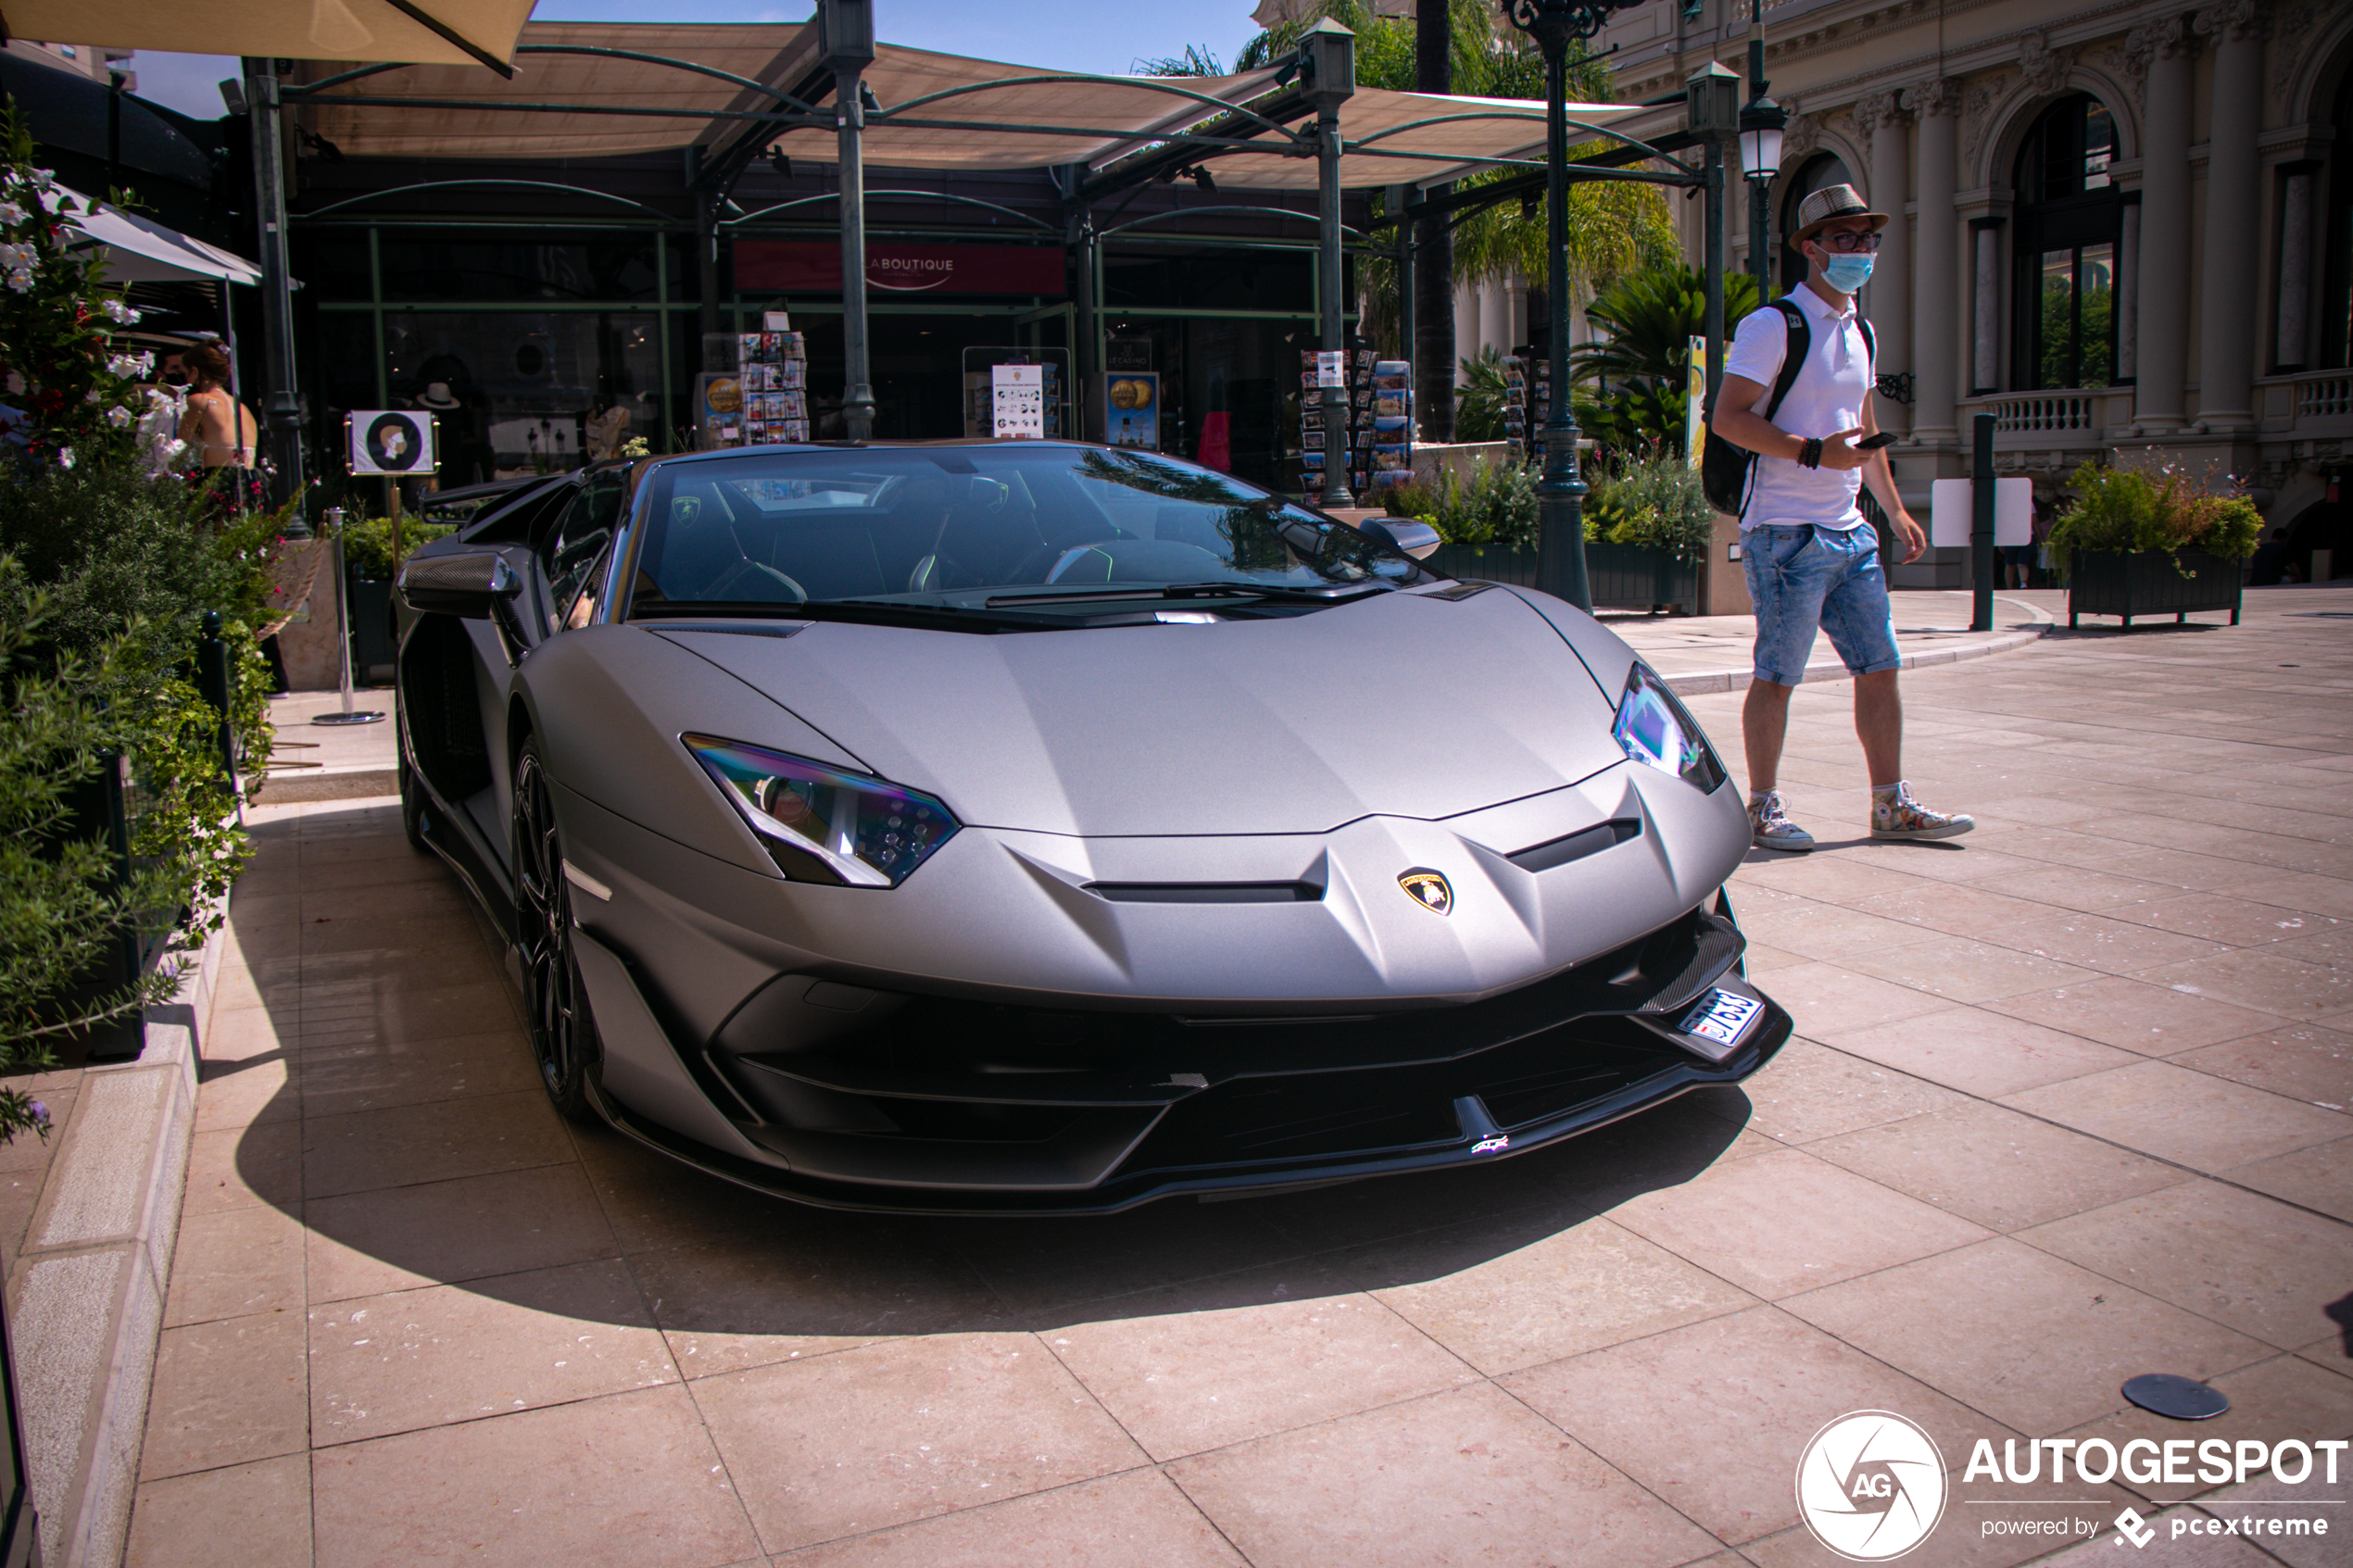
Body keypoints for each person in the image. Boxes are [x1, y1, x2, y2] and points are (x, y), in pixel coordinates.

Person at [1713, 183, 1973, 852]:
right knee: (1777, 673)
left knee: (1879, 666)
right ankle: (1761, 807)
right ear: (1810, 248)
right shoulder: (1773, 326)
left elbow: (1864, 429)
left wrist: (1892, 509)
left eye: (1867, 239)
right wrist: (1809, 453)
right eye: (1844, 238)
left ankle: (1891, 805)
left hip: (1850, 532)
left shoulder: (1862, 330)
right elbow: (1730, 417)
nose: (1860, 250)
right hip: (1784, 533)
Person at [178, 340, 261, 512]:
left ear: (195, 371)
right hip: (251, 481)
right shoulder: (243, 408)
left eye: (186, 373)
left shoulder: (198, 400)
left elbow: (179, 447)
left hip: (218, 481)